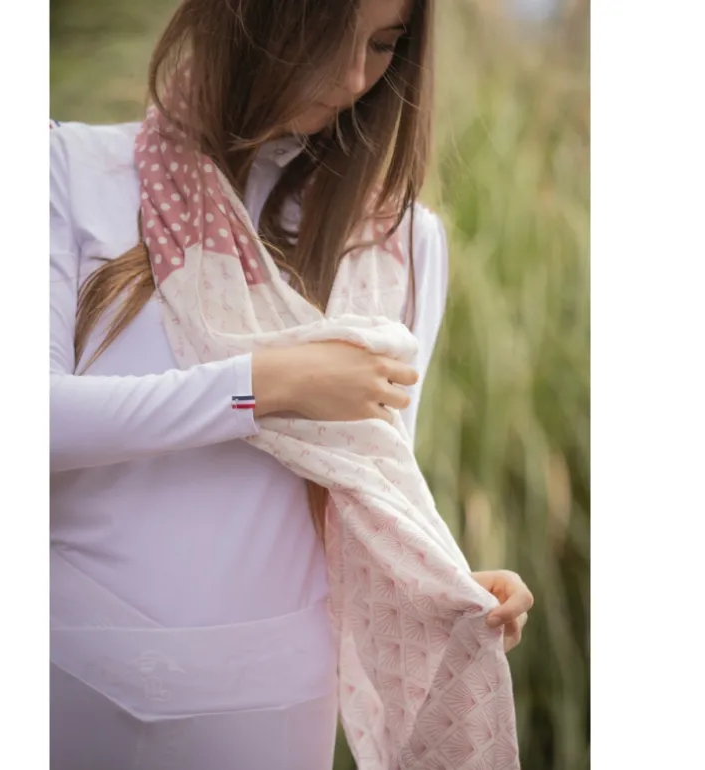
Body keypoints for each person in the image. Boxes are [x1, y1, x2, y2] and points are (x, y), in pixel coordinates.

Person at [50, 1, 534, 768]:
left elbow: (365, 483)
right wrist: (260, 386)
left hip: (273, 701)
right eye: (328, 38)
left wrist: (445, 578)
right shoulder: (72, 171)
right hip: (68, 675)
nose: (355, 77)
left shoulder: (401, 243)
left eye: (384, 45)